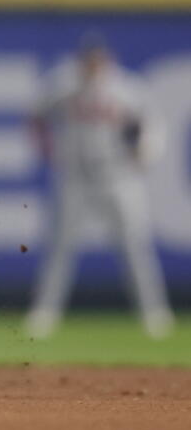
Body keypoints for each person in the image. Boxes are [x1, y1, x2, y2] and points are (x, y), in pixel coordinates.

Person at [24, 33, 174, 339]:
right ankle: (44, 315)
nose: (93, 65)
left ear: (107, 60)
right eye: (88, 59)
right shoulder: (64, 84)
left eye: (98, 59)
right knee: (60, 250)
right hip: (74, 177)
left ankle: (154, 315)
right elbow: (35, 114)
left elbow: (152, 126)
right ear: (81, 60)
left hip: (118, 176)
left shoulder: (126, 88)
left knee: (136, 249)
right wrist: (46, 150)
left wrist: (143, 153)